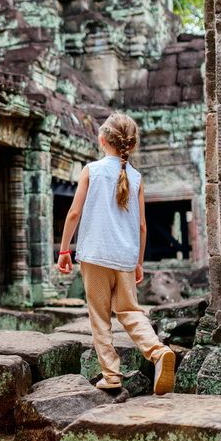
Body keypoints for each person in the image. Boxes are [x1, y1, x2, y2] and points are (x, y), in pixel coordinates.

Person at [57, 113, 176, 395]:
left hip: (95, 255)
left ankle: (111, 375)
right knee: (130, 311)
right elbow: (142, 226)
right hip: (125, 257)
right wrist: (138, 262)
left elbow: (74, 213)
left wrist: (64, 249)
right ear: (130, 145)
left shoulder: (92, 170)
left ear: (102, 140)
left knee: (100, 316)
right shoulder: (136, 177)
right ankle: (158, 351)